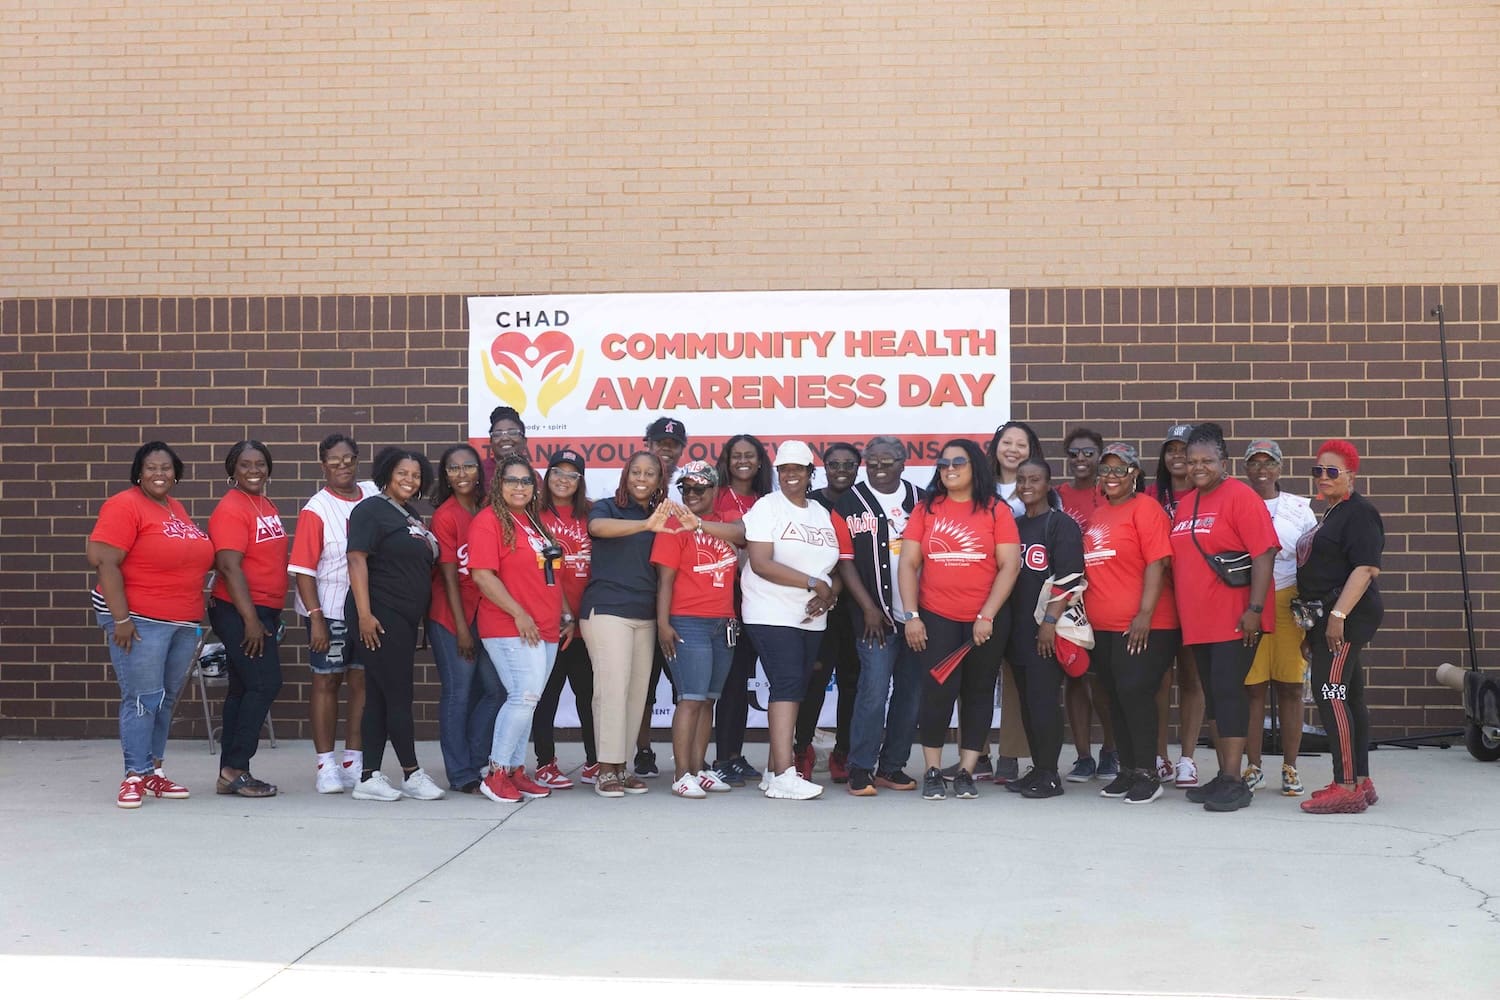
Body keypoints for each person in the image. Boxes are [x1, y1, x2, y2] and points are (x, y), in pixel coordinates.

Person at [88, 442, 215, 808]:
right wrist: (121, 619)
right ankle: (134, 775)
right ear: (139, 473)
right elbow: (105, 562)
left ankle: (153, 772)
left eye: (166, 468)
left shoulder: (175, 508)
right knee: (142, 699)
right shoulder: (124, 505)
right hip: (140, 620)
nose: (159, 473)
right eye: (151, 467)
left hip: (182, 621)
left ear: (176, 473)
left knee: (164, 700)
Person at [899, 438, 1021, 802]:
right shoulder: (927, 509)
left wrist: (987, 614)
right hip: (937, 616)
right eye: (944, 463)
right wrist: (911, 616)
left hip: (985, 621)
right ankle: (933, 770)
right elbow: (908, 563)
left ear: (975, 468)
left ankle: (967, 770)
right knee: (937, 694)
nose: (949, 469)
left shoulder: (996, 510)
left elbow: (1009, 566)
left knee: (979, 693)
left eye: (958, 462)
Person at [1169, 423, 1279, 813]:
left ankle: (1234, 781)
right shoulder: (1186, 503)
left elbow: (1264, 553)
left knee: (1229, 692)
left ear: (1224, 462)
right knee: (1214, 695)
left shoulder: (1241, 497)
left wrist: (1254, 609)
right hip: (1199, 622)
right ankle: (1224, 773)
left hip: (1235, 618)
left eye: (1207, 460)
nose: (1198, 467)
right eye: (1192, 461)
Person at [740, 439, 840, 800]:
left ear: (811, 473)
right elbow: (761, 563)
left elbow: (834, 566)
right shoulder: (767, 507)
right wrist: (813, 583)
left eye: (798, 468)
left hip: (811, 616)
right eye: (784, 469)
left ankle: (773, 771)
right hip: (770, 610)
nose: (790, 475)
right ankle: (785, 774)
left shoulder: (821, 512)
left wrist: (828, 594)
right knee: (786, 685)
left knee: (796, 687)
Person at [1081, 444, 1180, 805]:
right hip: (1104, 628)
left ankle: (1147, 774)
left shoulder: (1146, 509)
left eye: (1119, 469)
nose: (1111, 476)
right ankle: (1127, 770)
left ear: (1134, 474)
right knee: (1115, 697)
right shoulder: (1099, 514)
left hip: (1145, 624)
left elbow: (1158, 562)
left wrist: (1144, 614)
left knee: (1135, 692)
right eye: (1105, 470)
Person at [346, 447, 446, 802]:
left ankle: (368, 776)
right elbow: (356, 559)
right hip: (378, 615)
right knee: (399, 694)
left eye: (416, 475)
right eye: (403, 473)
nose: (410, 480)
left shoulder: (410, 515)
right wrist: (364, 615)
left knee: (379, 695)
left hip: (402, 618)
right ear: (387, 473)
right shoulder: (370, 510)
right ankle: (411, 773)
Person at [582, 451, 681, 797]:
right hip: (608, 610)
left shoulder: (663, 514)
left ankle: (621, 767)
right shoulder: (607, 507)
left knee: (636, 694)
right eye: (635, 472)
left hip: (646, 614)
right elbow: (596, 528)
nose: (642, 478)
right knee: (611, 690)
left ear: (659, 480)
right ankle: (605, 770)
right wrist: (646, 525)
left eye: (649, 473)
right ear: (625, 476)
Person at [468, 456, 566, 804]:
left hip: (545, 626)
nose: (520, 487)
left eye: (526, 481)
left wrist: (564, 612)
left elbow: (548, 573)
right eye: (512, 480)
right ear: (499, 484)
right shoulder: (488, 521)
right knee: (522, 696)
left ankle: (514, 770)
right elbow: (482, 576)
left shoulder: (533, 522)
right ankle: (495, 774)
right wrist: (519, 614)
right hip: (510, 625)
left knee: (530, 701)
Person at [831, 435, 925, 796]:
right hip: (874, 619)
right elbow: (845, 561)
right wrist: (868, 607)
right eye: (872, 461)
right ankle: (860, 768)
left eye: (887, 461)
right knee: (872, 692)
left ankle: (891, 766)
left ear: (903, 463)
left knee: (910, 694)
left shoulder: (921, 500)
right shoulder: (848, 503)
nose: (879, 467)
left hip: (915, 617)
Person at [1297, 439, 1385, 815]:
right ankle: (1360, 780)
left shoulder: (1359, 512)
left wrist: (1337, 617)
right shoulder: (1333, 512)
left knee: (1330, 692)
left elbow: (1365, 569)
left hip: (1346, 618)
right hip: (1329, 618)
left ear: (1351, 475)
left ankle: (1346, 785)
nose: (1323, 476)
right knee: (1348, 694)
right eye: (1318, 470)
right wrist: (1312, 629)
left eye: (1332, 471)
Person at [652, 461, 747, 797]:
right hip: (687, 621)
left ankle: (698, 769)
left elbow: (744, 536)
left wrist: (703, 524)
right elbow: (665, 581)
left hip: (723, 622)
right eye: (685, 489)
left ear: (714, 490)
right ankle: (681, 774)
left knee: (708, 700)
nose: (691, 494)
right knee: (690, 699)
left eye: (699, 488)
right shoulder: (673, 526)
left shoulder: (725, 523)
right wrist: (663, 624)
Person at [290, 433, 379, 793]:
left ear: (357, 459)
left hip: (367, 610)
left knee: (362, 683)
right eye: (334, 460)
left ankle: (353, 760)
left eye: (348, 458)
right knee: (327, 682)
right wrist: (316, 618)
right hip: (329, 610)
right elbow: (303, 570)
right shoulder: (317, 509)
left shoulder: (373, 494)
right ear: (323, 465)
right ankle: (325, 764)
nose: (342, 465)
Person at [207, 439, 288, 798]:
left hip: (262, 609)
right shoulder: (231, 508)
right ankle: (236, 768)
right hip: (239, 610)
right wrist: (251, 620)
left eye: (260, 464)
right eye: (245, 464)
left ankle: (230, 772)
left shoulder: (264, 504)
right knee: (264, 683)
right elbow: (228, 566)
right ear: (232, 470)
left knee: (243, 688)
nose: (254, 470)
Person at [1004, 458, 1084, 800]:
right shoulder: (1015, 526)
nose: (1026, 485)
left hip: (1045, 631)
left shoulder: (1060, 524)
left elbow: (1069, 578)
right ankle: (1038, 768)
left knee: (1043, 702)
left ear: (1047, 484)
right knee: (1027, 703)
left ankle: (1050, 775)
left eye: (1034, 479)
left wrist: (1049, 623)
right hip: (1017, 630)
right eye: (1021, 479)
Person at [1241, 439, 1317, 795]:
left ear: (1280, 468)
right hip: (1248, 600)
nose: (1262, 470)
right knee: (1252, 687)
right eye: (1254, 463)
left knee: (1290, 686)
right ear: (1245, 468)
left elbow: (1313, 557)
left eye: (1268, 462)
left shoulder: (1299, 508)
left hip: (1288, 599)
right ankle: (1253, 766)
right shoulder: (1237, 501)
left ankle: (1290, 766)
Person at [428, 443, 503, 794]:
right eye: (453, 468)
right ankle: (460, 773)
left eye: (468, 466)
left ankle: (476, 759)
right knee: (458, 693)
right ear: (445, 475)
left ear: (480, 471)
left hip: (484, 613)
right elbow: (447, 578)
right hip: (452, 616)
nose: (462, 474)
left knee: (496, 690)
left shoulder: (488, 510)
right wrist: (461, 629)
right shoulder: (445, 515)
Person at [981, 419, 1051, 783]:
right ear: (995, 447)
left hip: (1023, 594)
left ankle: (1009, 756)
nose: (1013, 450)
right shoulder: (978, 487)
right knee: (976, 675)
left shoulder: (1037, 490)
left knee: (1015, 678)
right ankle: (976, 755)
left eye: (1021, 444)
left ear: (1031, 451)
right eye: (1006, 442)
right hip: (979, 591)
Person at [795, 441, 861, 783]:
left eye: (849, 465)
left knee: (852, 682)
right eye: (835, 464)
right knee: (814, 681)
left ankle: (843, 752)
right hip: (816, 604)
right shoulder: (810, 503)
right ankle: (801, 750)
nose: (841, 471)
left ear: (858, 468)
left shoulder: (864, 502)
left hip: (857, 607)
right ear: (824, 467)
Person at [1056, 426, 1119, 784]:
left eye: (1088, 453)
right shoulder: (1058, 497)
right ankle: (1083, 756)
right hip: (1069, 599)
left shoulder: (1109, 493)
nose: (1081, 459)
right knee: (1076, 676)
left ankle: (1110, 749)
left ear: (1099, 456)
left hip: (1105, 595)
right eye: (1074, 454)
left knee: (1104, 680)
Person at [532, 448, 598, 788]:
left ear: (580, 481)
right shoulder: (534, 515)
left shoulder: (593, 514)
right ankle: (545, 763)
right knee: (547, 696)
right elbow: (537, 572)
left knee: (590, 696)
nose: (563, 479)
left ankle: (595, 761)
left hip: (586, 624)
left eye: (572, 474)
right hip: (550, 624)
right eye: (557, 472)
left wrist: (580, 616)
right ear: (547, 476)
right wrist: (563, 614)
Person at [710, 433, 772, 785]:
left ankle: (735, 754)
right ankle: (722, 757)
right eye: (737, 455)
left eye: (750, 455)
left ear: (760, 462)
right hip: (726, 594)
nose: (743, 461)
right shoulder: (715, 496)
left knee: (745, 677)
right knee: (731, 680)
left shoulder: (769, 500)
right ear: (726, 461)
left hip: (763, 596)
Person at [1148, 423, 1206, 788]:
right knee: (1158, 679)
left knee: (1191, 678)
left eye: (1184, 449)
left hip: (1197, 598)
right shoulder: (1151, 494)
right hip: (1159, 598)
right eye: (1171, 449)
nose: (1178, 456)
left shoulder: (1207, 493)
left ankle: (1187, 758)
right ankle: (1159, 757)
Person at [633, 415, 691, 776]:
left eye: (673, 446)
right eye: (660, 444)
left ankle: (690, 756)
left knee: (688, 686)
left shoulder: (688, 491)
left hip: (680, 603)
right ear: (648, 445)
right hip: (640, 600)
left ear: (682, 450)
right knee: (644, 685)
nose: (666, 451)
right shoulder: (634, 488)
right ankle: (643, 751)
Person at [480, 406, 529, 487]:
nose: (505, 438)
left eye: (512, 432)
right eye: (498, 434)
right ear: (491, 442)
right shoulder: (479, 473)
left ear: (524, 441)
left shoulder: (533, 476)